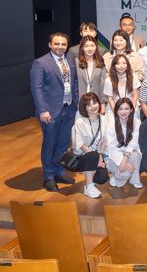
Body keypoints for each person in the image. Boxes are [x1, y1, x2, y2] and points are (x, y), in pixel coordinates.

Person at [30, 32, 79, 191]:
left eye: (63, 44)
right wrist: (43, 110)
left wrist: (76, 102)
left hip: (69, 108)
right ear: (50, 45)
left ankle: (59, 172)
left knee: (63, 143)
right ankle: (49, 176)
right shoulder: (40, 63)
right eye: (57, 44)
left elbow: (74, 82)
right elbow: (36, 88)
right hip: (50, 112)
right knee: (49, 144)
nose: (60, 47)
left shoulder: (70, 59)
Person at [71, 93, 109, 198]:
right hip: (82, 157)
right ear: (84, 108)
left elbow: (105, 141)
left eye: (95, 103)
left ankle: (90, 172)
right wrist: (97, 159)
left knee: (102, 178)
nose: (93, 107)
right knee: (92, 156)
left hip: (98, 155)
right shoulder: (80, 122)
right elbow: (81, 145)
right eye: (89, 105)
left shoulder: (104, 119)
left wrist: (100, 157)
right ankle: (89, 187)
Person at [105, 97, 143, 189]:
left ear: (131, 110)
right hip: (114, 155)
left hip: (129, 153)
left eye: (126, 108)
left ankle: (135, 180)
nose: (123, 112)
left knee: (136, 155)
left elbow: (134, 142)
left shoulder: (137, 122)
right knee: (125, 173)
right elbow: (112, 148)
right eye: (120, 109)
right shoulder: (111, 124)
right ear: (116, 111)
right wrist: (122, 162)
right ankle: (116, 176)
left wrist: (125, 158)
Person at [75, 36, 107, 112]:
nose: (90, 49)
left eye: (92, 46)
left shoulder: (100, 62)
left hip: (96, 102)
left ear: (96, 47)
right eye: (86, 46)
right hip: (80, 101)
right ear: (82, 48)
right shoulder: (76, 62)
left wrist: (102, 103)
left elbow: (103, 84)